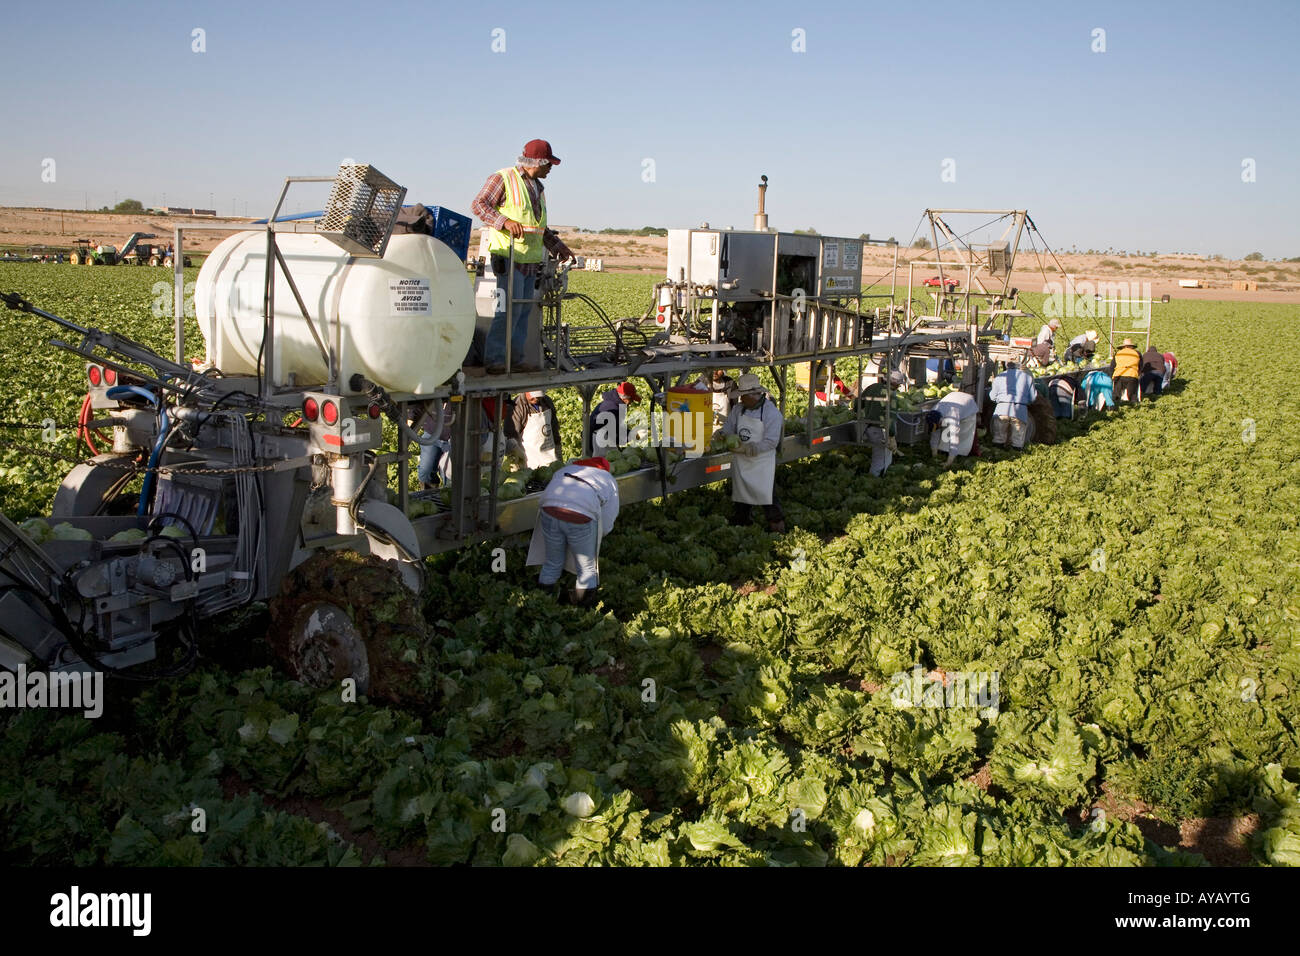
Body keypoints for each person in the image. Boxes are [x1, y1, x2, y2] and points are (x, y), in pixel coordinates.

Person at [471, 139, 576, 374]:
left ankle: (515, 361)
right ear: (537, 162)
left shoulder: (538, 188)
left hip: (530, 260)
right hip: (508, 257)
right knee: (507, 310)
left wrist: (558, 247)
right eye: (549, 164)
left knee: (523, 312)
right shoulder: (503, 178)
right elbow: (479, 205)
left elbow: (538, 228)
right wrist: (504, 222)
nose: (551, 169)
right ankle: (496, 361)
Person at [526, 457, 619, 606]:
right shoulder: (607, 478)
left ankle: (541, 603)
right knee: (587, 568)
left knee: (552, 562)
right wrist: (598, 535)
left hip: (549, 510)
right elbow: (608, 516)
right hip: (580, 514)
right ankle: (583, 610)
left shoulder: (564, 470)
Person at [721, 373, 785, 532]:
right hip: (742, 462)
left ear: (754, 395)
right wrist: (723, 434)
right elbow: (729, 427)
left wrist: (751, 448)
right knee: (741, 494)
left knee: (767, 494)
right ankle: (742, 522)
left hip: (761, 463)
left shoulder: (771, 413)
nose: (741, 399)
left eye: (743, 396)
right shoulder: (738, 410)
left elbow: (771, 441)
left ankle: (777, 526)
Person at [858, 370, 905, 476]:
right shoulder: (891, 396)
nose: (898, 387)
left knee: (879, 456)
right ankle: (874, 481)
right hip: (881, 431)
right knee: (881, 459)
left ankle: (875, 480)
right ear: (895, 384)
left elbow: (857, 405)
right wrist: (891, 436)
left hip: (867, 427)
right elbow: (891, 419)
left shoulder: (872, 387)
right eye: (898, 385)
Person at [505, 389, 562, 469]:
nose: (536, 398)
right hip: (529, 461)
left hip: (550, 457)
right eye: (533, 396)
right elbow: (511, 435)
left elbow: (554, 427)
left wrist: (558, 448)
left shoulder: (547, 402)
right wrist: (517, 459)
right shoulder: (517, 406)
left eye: (539, 396)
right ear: (526, 390)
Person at [988, 361, 1036, 449]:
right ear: (1019, 366)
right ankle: (1016, 455)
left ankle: (998, 454)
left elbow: (992, 396)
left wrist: (1000, 400)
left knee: (998, 438)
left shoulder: (1000, 377)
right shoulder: (1027, 378)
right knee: (1018, 439)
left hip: (1001, 410)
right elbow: (1033, 397)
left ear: (1007, 366)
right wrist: (1024, 402)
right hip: (1019, 411)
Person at [928, 388, 978, 466]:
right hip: (954, 399)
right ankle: (945, 452)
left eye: (939, 425)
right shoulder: (933, 412)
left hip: (968, 406)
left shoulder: (952, 416)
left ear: (941, 421)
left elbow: (954, 438)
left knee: (965, 436)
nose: (938, 427)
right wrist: (934, 454)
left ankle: (961, 455)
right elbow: (935, 434)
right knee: (945, 434)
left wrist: (949, 462)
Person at [589, 381, 641, 453]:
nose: (631, 402)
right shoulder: (613, 408)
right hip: (599, 442)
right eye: (631, 400)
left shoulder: (613, 403)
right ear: (625, 398)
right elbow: (616, 432)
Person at [1111, 338, 1142, 403]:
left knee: (1116, 394)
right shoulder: (1137, 353)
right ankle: (1134, 406)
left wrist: (1113, 376)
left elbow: (1112, 366)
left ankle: (1115, 406)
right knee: (1132, 394)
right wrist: (1138, 374)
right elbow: (1140, 366)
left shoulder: (1118, 353)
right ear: (1132, 346)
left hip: (1119, 375)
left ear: (1123, 346)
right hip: (1132, 375)